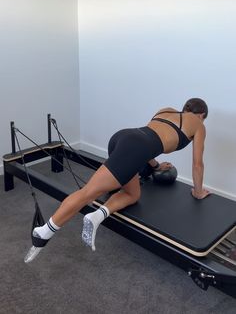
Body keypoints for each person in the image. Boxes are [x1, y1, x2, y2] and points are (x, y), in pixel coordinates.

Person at [24, 97, 209, 263]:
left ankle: (96, 216)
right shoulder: (199, 125)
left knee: (133, 194)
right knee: (88, 192)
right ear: (201, 115)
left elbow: (149, 139)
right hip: (135, 148)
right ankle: (43, 232)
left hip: (124, 136)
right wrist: (198, 192)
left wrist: (156, 166)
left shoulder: (166, 109)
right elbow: (197, 164)